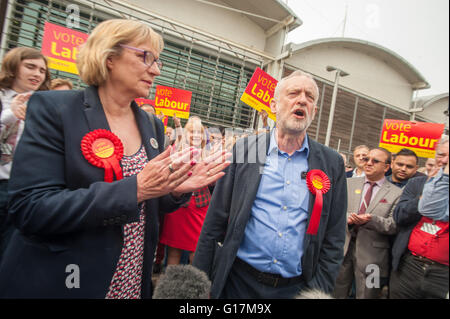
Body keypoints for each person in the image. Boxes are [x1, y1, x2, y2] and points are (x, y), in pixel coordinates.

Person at [0, 19, 230, 298]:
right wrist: (136, 189)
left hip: (131, 278)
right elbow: (30, 208)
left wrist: (174, 189)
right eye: (146, 57)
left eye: (157, 61)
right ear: (109, 56)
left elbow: (149, 204)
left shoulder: (151, 125)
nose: (156, 70)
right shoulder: (54, 109)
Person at [193, 70, 348, 299]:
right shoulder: (247, 150)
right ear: (274, 106)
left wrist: (318, 290)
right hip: (238, 284)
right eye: (294, 93)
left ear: (314, 111)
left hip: (296, 290)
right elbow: (215, 220)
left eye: (310, 97)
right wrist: (199, 283)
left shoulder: (331, 163)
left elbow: (334, 238)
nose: (302, 100)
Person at [0, 47, 51, 258]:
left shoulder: (44, 105)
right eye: (30, 67)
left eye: (42, 70)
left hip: (24, 190)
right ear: (13, 67)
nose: (37, 74)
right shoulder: (4, 99)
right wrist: (11, 114)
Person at [333, 147, 402, 299]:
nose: (369, 163)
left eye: (375, 161)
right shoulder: (347, 184)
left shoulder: (397, 193)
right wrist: (347, 218)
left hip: (374, 258)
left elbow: (394, 225)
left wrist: (372, 220)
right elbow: (334, 211)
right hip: (342, 251)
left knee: (369, 294)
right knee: (336, 293)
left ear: (386, 167)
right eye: (366, 159)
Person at [389, 137, 449, 299]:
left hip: (443, 274)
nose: (444, 161)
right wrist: (427, 193)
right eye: (441, 155)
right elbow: (399, 216)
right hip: (410, 265)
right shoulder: (416, 184)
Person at [160, 116, 211, 265]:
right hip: (179, 206)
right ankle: (170, 288)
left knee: (196, 252)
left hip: (200, 207)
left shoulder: (207, 153)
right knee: (174, 252)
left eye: (199, 132)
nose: (196, 135)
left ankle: (194, 287)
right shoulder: (175, 151)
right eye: (192, 132)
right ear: (185, 134)